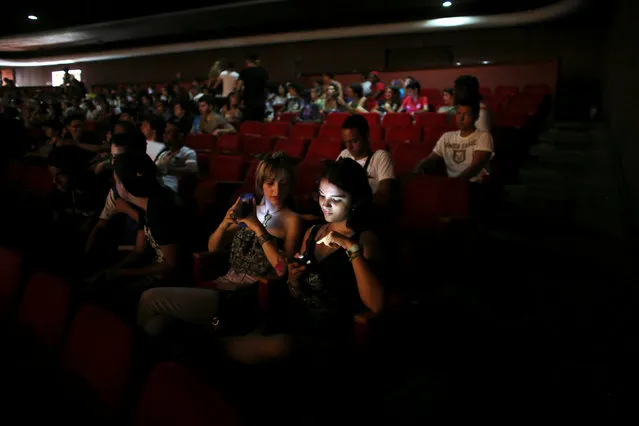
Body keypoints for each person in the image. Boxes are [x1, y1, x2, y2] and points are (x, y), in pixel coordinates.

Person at [223, 158, 385, 365]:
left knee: (275, 346)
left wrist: (351, 249)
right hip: (297, 318)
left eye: (336, 199)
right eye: (322, 196)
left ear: (355, 201)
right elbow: (296, 292)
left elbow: (377, 304)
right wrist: (294, 279)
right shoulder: (313, 232)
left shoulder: (365, 240)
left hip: (332, 331)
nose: (325, 204)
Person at [137, 152, 303, 336]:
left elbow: (282, 270)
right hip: (223, 283)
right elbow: (213, 248)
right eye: (270, 183)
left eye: (284, 184)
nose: (277, 191)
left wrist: (257, 227)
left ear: (291, 185)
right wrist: (225, 223)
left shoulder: (292, 220)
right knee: (156, 325)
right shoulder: (249, 208)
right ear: (260, 183)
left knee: (149, 298)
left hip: (246, 295)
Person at [86, 151, 187, 314]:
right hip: (153, 268)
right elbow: (139, 250)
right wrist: (112, 271)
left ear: (126, 185)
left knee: (105, 299)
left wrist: (122, 273)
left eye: (117, 181)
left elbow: (170, 265)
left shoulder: (158, 210)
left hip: (169, 280)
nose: (115, 187)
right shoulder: (146, 206)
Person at [414, 97, 494, 182]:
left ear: (476, 116)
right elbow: (431, 158)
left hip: (474, 185)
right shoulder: (447, 137)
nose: (461, 118)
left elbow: (476, 166)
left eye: (466, 114)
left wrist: (455, 184)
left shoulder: (483, 136)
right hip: (452, 186)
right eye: (459, 113)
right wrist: (419, 167)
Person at [337, 114, 396, 209]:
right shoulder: (344, 154)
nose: (349, 147)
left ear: (367, 136)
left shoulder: (380, 157)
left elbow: (384, 196)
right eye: (346, 142)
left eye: (354, 141)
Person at [155, 122, 198, 194]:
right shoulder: (163, 153)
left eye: (168, 133)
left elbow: (193, 169)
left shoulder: (188, 152)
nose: (164, 135)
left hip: (172, 191)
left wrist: (168, 169)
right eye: (164, 133)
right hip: (157, 187)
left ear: (180, 135)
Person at [236, 54, 269, 122]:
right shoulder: (263, 71)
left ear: (248, 61)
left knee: (249, 124)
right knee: (259, 123)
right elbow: (265, 87)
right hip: (261, 102)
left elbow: (238, 87)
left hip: (249, 102)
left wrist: (238, 101)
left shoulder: (245, 71)